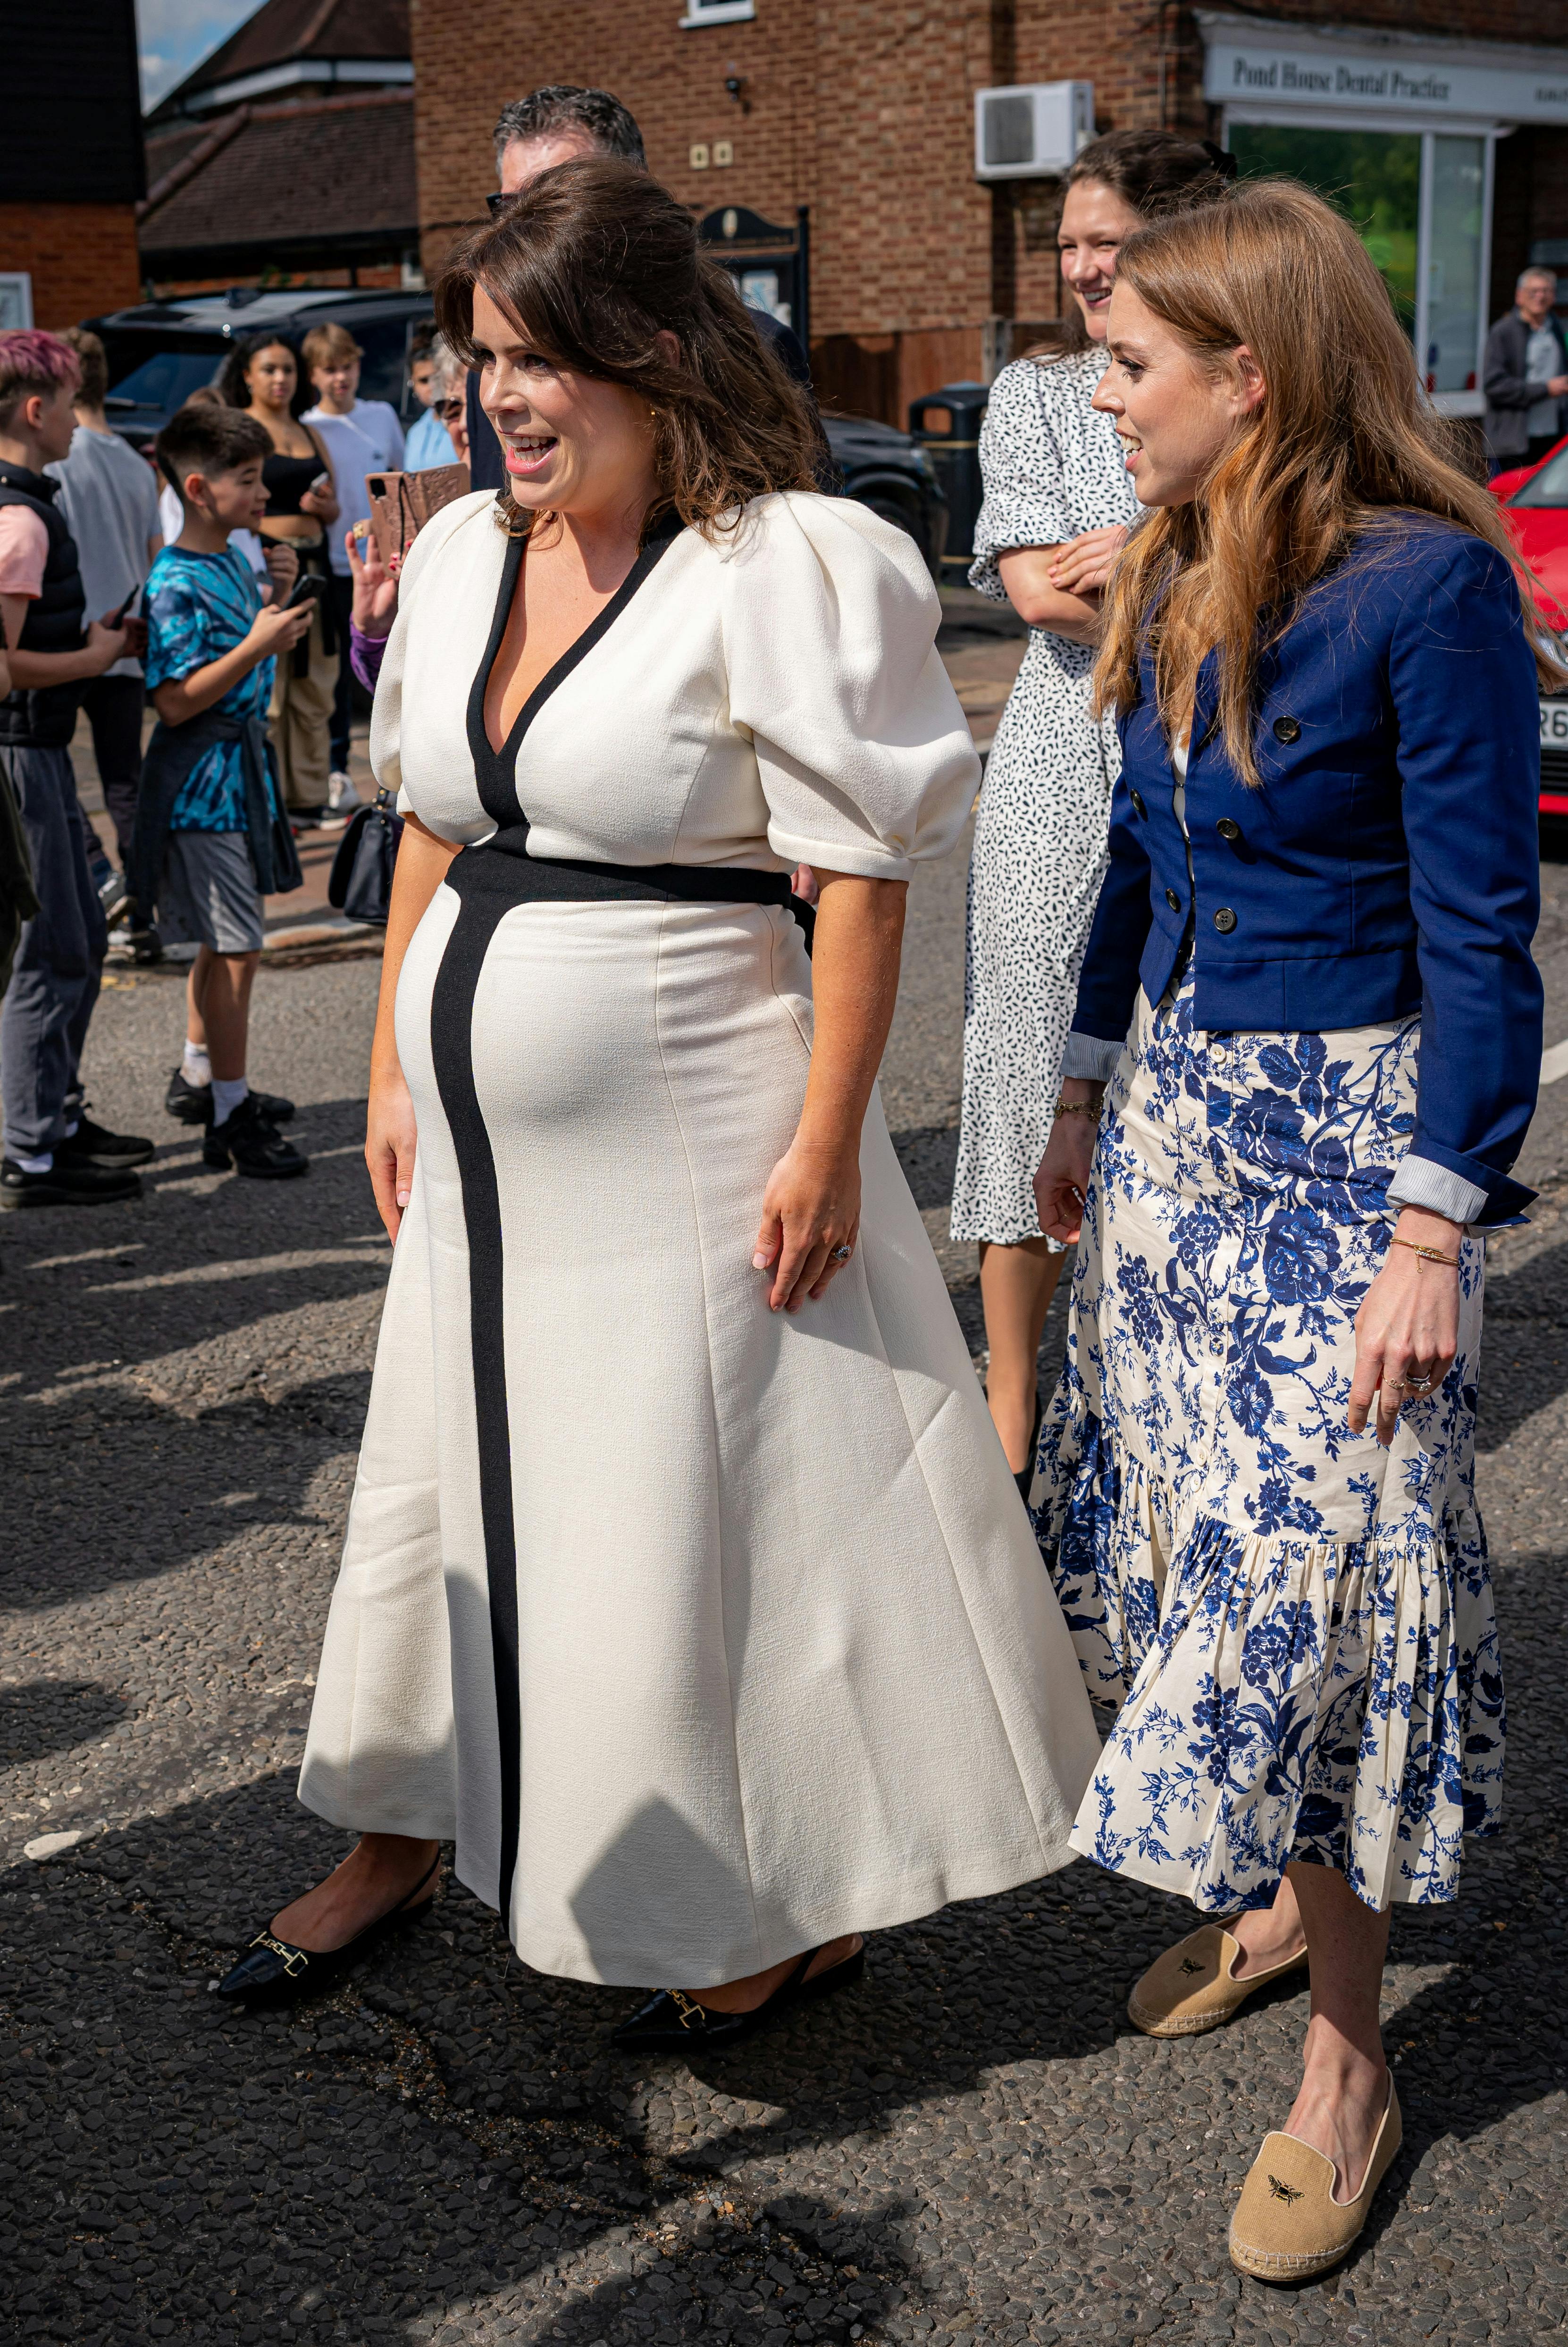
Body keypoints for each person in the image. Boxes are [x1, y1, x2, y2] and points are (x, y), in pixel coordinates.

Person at [216, 157, 1101, 2034]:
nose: (502, 401)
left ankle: (770, 1892)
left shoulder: (776, 561)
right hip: (475, 1148)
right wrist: (387, 1064)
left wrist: (822, 1141)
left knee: (693, 1516)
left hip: (700, 1123)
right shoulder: (458, 557)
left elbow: (855, 875)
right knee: (454, 1477)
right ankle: (406, 1824)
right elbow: (430, 834)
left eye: (538, 363)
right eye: (477, 363)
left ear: (647, 355)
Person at [1030, 181, 1545, 2281]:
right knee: (1190, 1558)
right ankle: (1272, 1907)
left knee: (1315, 1592)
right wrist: (1071, 1089)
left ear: (1251, 372)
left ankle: (1349, 2056)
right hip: (1169, 1144)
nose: (1103, 389)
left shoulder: (1426, 591)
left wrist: (1435, 1227)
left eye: (1134, 362)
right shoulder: (1167, 556)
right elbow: (1139, 866)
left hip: (1348, 1164)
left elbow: (1481, 935)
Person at [954, 131, 1234, 1492]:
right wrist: (1172, 560)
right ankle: (1008, 1409)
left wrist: (1139, 558)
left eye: (1102, 241)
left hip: (1196, 752)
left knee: (1155, 1084)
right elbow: (1034, 596)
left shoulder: (1237, 380)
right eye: (1064, 241)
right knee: (1024, 1076)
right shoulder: (1037, 394)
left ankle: (1137, 1395)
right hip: (1059, 775)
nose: (1076, 266)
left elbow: (1262, 563)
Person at [470, 85, 814, 495]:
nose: (529, 227)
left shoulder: (754, 343)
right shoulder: (493, 372)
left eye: (560, 200)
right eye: (513, 206)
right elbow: (503, 512)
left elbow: (798, 522)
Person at [135, 403, 311, 1179]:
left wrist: (272, 600)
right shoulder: (175, 578)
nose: (265, 492)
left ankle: (204, 1076)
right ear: (201, 490)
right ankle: (230, 1117)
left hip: (236, 781)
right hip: (206, 790)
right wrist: (257, 640)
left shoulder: (231, 562)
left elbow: (239, 665)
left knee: (224, 942)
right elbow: (174, 700)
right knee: (238, 951)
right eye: (249, 480)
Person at [0, 329, 154, 1210]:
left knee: (83, 941)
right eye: (64, 407)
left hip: (44, 751)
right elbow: (6, 666)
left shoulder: (33, 502)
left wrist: (89, 638)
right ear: (35, 411)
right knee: (47, 951)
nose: (74, 422)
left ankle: (55, 1114)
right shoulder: (19, 518)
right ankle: (31, 1150)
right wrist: (93, 659)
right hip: (22, 758)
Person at [45, 327, 160, 885]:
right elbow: (155, 558)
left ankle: (95, 869)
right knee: (124, 780)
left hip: (66, 637)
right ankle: (143, 902)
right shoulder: (139, 466)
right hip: (126, 636)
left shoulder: (56, 460)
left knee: (51, 766)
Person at [219, 335, 341, 827]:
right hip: (266, 569)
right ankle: (267, 801)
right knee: (270, 689)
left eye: (288, 369)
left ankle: (307, 798)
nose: (280, 379)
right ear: (246, 375)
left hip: (316, 567)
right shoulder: (241, 431)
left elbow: (335, 506)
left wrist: (325, 508)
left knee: (316, 688)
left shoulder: (310, 431)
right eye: (269, 369)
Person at [299, 323, 405, 811]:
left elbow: (399, 482)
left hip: (382, 564)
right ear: (314, 375)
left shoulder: (380, 414)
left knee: (391, 658)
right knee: (338, 670)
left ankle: (400, 758)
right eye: (329, 369)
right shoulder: (309, 425)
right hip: (335, 560)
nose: (340, 378)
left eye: (346, 366)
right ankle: (339, 768)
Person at [1482, 265, 1568, 477]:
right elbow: (1494, 386)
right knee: (1512, 502)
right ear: (1519, 296)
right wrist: (1546, 389)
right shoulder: (1503, 332)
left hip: (1553, 437)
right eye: (1533, 292)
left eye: (1546, 291)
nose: (1540, 297)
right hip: (1515, 441)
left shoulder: (1558, 329)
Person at [403, 333, 456, 472]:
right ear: (412, 383)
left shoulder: (464, 424)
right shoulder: (415, 433)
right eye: (424, 381)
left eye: (437, 378)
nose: (432, 387)